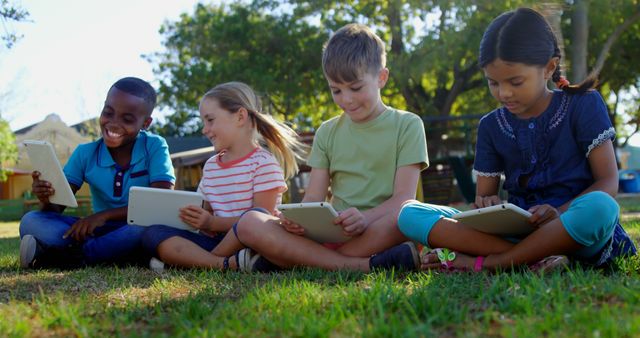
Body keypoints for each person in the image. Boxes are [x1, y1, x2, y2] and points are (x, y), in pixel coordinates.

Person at [397, 8, 637, 272]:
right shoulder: (490, 125)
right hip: (516, 232)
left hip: (575, 227)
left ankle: (494, 263)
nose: (504, 93)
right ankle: (537, 258)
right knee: (410, 214)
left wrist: (559, 214)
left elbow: (608, 182)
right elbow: (483, 199)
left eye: (516, 81)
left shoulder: (583, 104)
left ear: (549, 67)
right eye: (493, 83)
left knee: (601, 207)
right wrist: (489, 205)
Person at [231, 23, 428, 272]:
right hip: (333, 233)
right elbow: (314, 197)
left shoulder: (407, 124)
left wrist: (365, 218)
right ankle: (360, 264)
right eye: (336, 90)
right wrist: (297, 220)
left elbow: (403, 199)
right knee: (250, 222)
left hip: (379, 229)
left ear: (381, 78)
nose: (346, 99)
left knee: (406, 219)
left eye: (356, 88)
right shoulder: (327, 131)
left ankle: (300, 259)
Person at [141, 81, 306, 271]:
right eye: (203, 122)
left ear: (240, 116)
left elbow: (262, 219)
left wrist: (212, 223)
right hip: (219, 242)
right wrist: (197, 218)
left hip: (252, 242)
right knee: (153, 233)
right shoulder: (211, 166)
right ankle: (223, 264)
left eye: (210, 120)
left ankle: (196, 262)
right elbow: (206, 209)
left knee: (256, 218)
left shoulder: (263, 163)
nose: (204, 129)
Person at [19, 77, 175, 268]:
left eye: (127, 119)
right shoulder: (85, 153)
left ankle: (64, 257)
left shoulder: (155, 146)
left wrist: (104, 215)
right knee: (32, 220)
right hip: (97, 231)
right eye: (108, 113)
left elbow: (161, 202)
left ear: (146, 123)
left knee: (148, 229)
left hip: (134, 228)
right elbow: (54, 211)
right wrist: (46, 197)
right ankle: (123, 255)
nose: (113, 123)